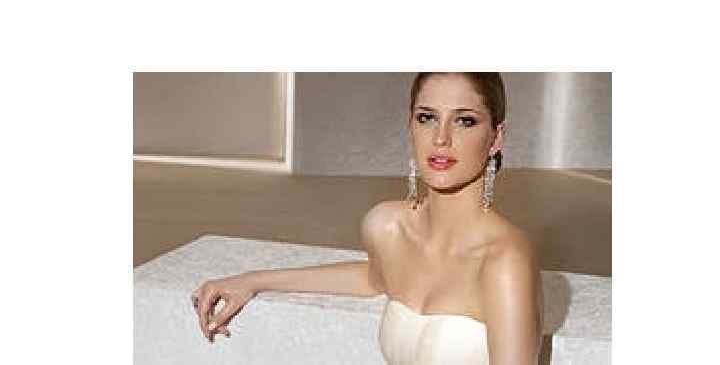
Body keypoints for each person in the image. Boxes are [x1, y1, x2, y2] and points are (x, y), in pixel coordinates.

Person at [192, 72, 544, 364]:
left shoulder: (505, 259)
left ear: (496, 138)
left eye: (464, 121)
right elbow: (374, 277)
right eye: (427, 117)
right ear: (410, 126)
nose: (441, 138)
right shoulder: (387, 226)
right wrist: (252, 281)